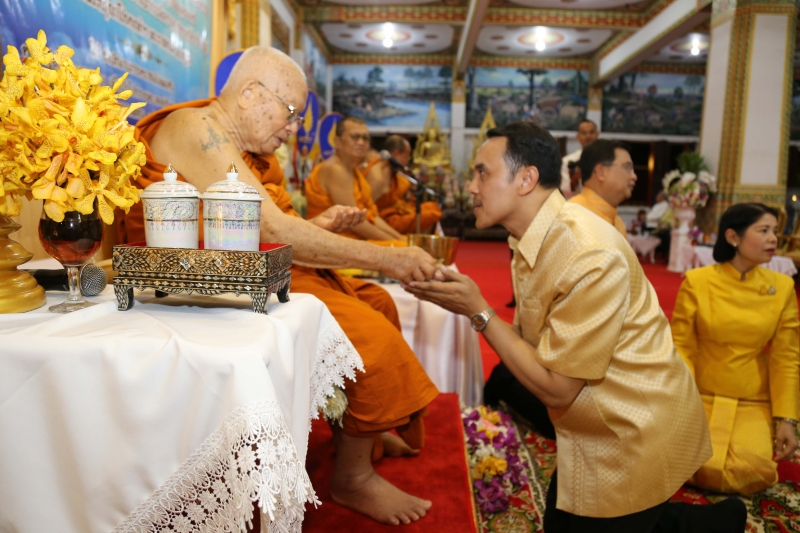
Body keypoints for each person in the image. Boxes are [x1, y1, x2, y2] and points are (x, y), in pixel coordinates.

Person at [118, 46, 439, 526]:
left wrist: (319, 225)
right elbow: (267, 227)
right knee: (372, 336)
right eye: (291, 115)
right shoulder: (195, 129)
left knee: (375, 303)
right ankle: (351, 479)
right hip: (208, 280)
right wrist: (389, 259)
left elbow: (269, 222)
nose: (293, 130)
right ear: (248, 94)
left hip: (259, 268)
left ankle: (361, 430)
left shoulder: (236, 143)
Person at [405, 121, 747, 532]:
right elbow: (536, 347)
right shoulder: (529, 239)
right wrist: (474, 308)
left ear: (526, 179)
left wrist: (478, 310)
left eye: (482, 172)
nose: (471, 186)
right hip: (588, 423)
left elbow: (556, 386)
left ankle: (715, 522)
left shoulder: (588, 253)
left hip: (632, 429)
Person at [672, 203, 799, 496]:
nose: (773, 239)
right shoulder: (697, 282)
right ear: (733, 237)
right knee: (677, 458)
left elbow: (786, 359)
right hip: (699, 395)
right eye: (764, 230)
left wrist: (787, 420)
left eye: (775, 232)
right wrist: (681, 403)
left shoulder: (782, 288)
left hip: (752, 400)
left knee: (756, 471)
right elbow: (681, 348)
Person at [304, 117, 407, 245]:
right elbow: (354, 223)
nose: (361, 142)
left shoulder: (353, 171)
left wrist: (399, 238)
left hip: (353, 239)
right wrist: (395, 242)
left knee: (404, 243)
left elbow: (372, 216)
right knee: (402, 247)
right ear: (337, 141)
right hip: (331, 242)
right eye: (355, 137)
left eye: (365, 138)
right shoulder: (335, 170)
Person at [363, 135, 442, 234]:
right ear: (396, 154)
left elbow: (401, 194)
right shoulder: (378, 176)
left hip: (398, 212)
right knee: (431, 214)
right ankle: (420, 244)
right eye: (406, 157)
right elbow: (368, 209)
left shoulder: (392, 171)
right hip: (386, 220)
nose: (406, 162)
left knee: (432, 207)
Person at [570, 139, 635, 238]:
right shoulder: (572, 217)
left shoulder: (618, 223)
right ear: (601, 172)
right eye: (627, 168)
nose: (634, 176)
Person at [559, 119, 598, 199]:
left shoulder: (607, 160)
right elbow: (565, 191)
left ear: (597, 134)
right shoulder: (567, 161)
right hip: (577, 205)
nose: (588, 136)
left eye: (591, 132)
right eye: (584, 133)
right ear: (578, 136)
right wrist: (575, 179)